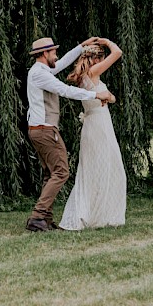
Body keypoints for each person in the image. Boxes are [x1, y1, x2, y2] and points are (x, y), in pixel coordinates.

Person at [25, 36, 113, 232]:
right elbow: (64, 90)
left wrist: (81, 46)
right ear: (45, 53)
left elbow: (62, 62)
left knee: (51, 173)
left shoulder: (42, 70)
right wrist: (96, 94)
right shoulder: (40, 74)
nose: (56, 55)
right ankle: (38, 216)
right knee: (62, 171)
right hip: (45, 130)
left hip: (40, 130)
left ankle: (44, 219)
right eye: (53, 52)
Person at [59, 37, 126, 230]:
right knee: (107, 168)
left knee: (94, 169)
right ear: (96, 58)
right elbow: (118, 53)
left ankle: (96, 213)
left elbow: (108, 97)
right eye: (102, 56)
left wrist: (110, 97)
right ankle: (94, 213)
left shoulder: (84, 76)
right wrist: (106, 42)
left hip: (95, 123)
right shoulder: (93, 71)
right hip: (99, 125)